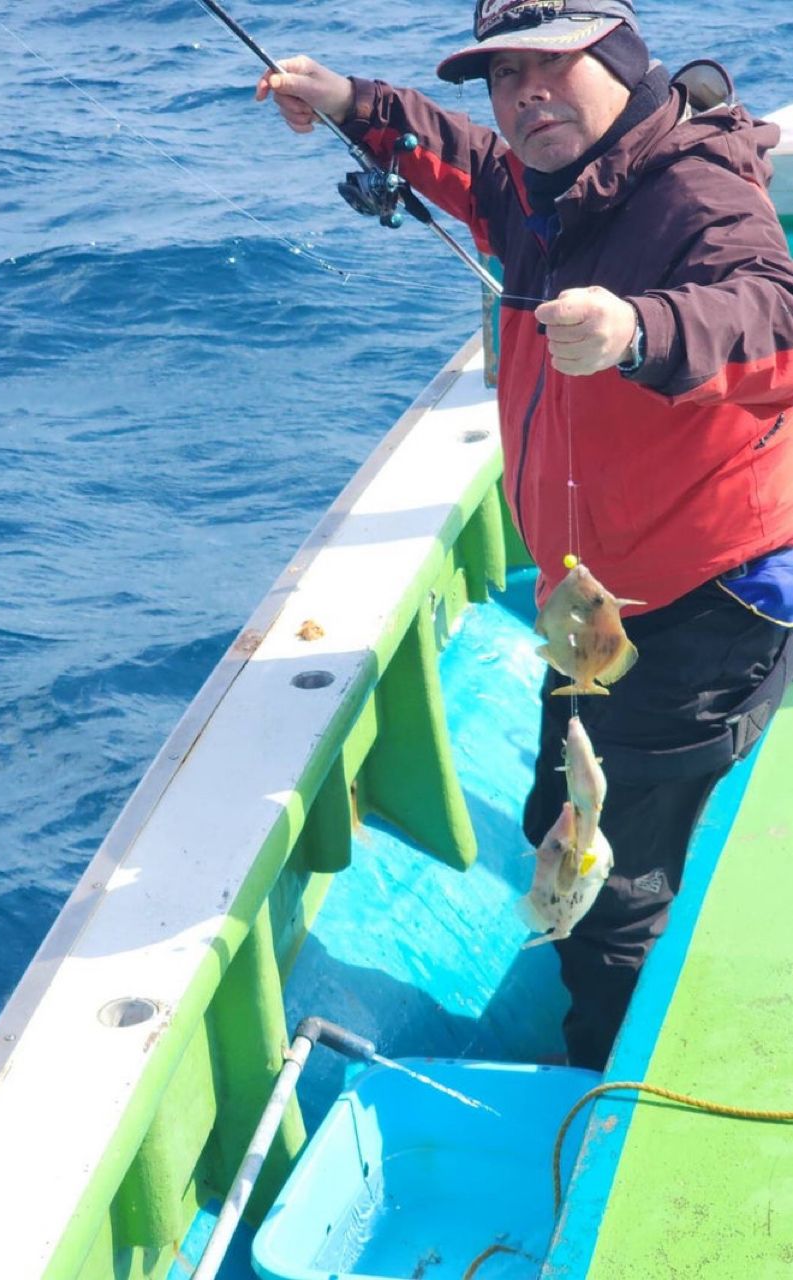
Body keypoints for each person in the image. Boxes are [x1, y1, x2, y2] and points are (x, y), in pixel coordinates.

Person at [257, 0, 793, 1070]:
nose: (526, 98)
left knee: (609, 890)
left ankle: (616, 1084)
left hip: (705, 593)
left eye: (554, 69)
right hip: (592, 595)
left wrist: (638, 330)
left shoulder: (691, 192)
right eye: (504, 79)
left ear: (623, 61)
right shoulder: (536, 181)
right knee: (561, 811)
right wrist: (352, 103)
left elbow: (771, 318)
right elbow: (454, 156)